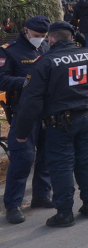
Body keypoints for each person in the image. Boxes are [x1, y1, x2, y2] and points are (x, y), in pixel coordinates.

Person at [14, 22, 88, 228]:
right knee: (87, 161)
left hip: (60, 123)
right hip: (86, 118)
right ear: (71, 37)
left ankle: (64, 213)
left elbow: (31, 101)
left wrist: (21, 132)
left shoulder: (45, 62)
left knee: (61, 166)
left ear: (51, 39)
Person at [1, 17, 53, 224]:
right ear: (26, 31)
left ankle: (41, 195)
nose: (40, 40)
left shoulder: (47, 46)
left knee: (47, 155)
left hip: (48, 109)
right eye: (37, 36)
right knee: (22, 158)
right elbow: (2, 80)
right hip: (23, 112)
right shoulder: (8, 50)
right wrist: (30, 83)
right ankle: (13, 205)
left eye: (44, 36)